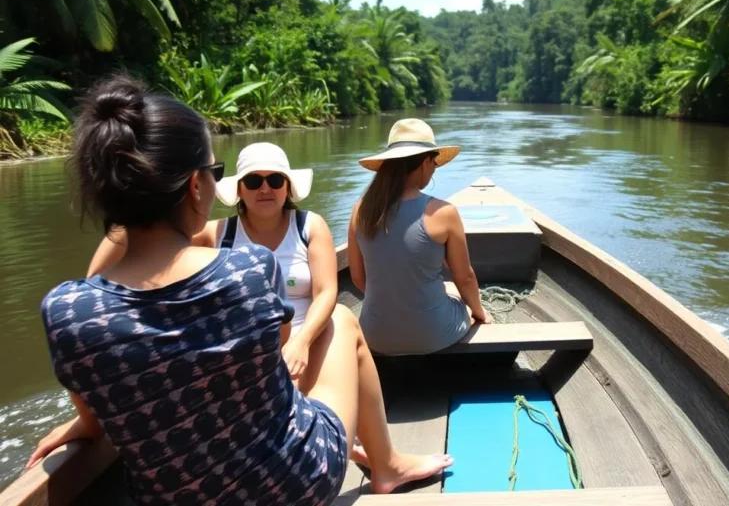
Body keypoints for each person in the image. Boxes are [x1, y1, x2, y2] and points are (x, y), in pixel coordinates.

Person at [29, 76, 451, 505]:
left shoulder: (66, 311)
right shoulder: (249, 269)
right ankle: (388, 464)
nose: (263, 188)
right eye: (220, 173)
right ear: (197, 186)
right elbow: (273, 373)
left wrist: (87, 423)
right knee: (344, 318)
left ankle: (385, 460)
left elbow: (109, 284)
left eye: (274, 180)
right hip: (293, 485)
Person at [87, 142, 337, 392]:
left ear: (287, 187)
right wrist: (92, 283)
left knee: (343, 322)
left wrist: (301, 342)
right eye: (252, 181)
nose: (264, 189)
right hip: (245, 352)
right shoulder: (217, 233)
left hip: (306, 339)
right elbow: (137, 233)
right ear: (239, 189)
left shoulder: (310, 226)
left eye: (274, 180)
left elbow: (326, 292)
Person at [348, 118, 492, 356]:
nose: (435, 168)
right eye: (434, 162)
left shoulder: (360, 210)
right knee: (454, 292)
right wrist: (479, 313)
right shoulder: (443, 213)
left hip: (375, 335)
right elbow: (464, 277)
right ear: (426, 161)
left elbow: (357, 277)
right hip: (434, 334)